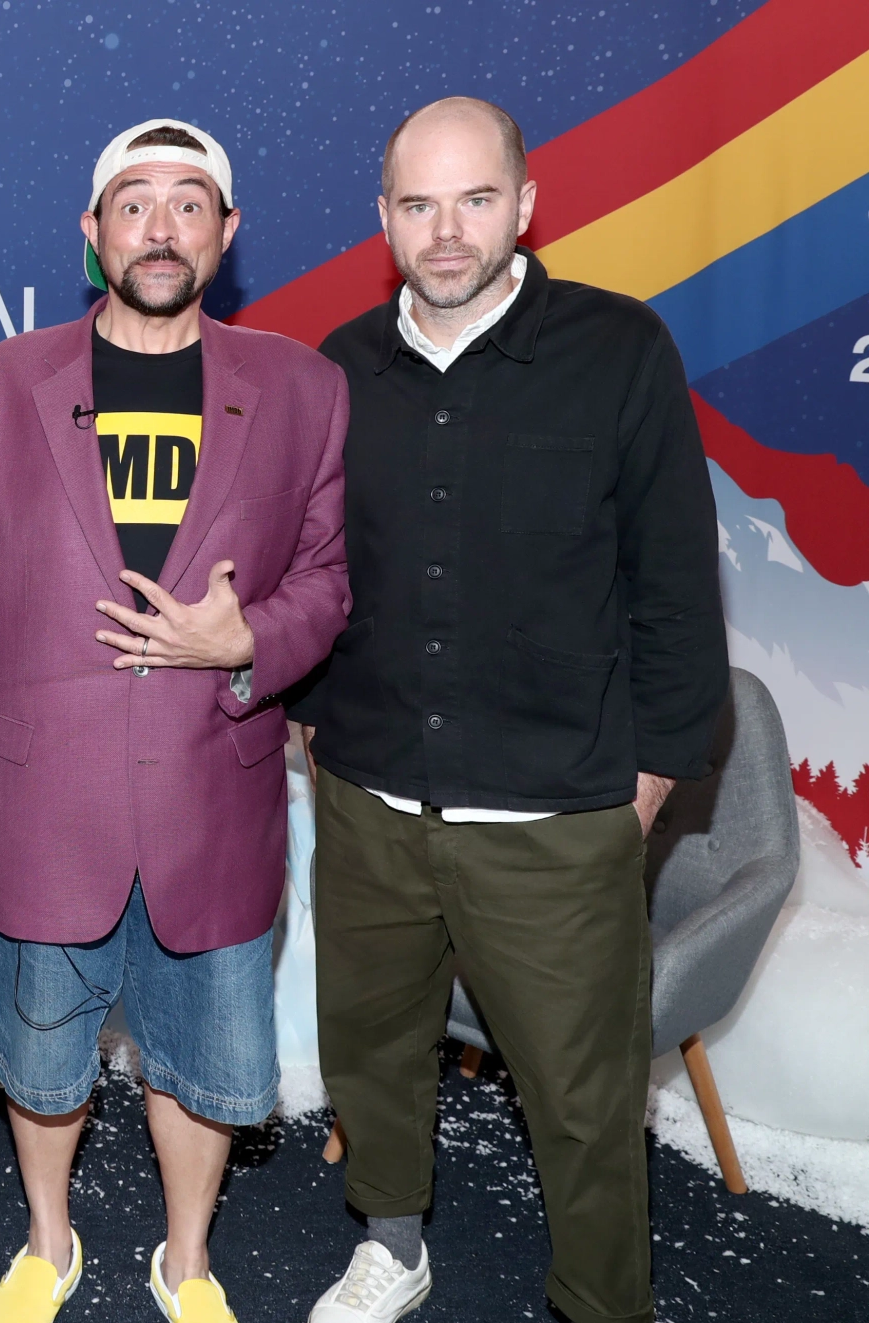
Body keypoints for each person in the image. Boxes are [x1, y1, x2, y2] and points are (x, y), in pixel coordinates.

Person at [0, 119, 351, 1323]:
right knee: (43, 1067)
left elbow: (326, 580)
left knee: (203, 1072)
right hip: (46, 802)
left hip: (218, 789)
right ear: (92, 234)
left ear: (228, 232)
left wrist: (245, 638)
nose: (161, 226)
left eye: (189, 203)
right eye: (134, 203)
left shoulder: (305, 389)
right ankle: (50, 1245)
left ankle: (186, 1260)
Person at [293, 98, 727, 1323]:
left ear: (526, 206)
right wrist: (321, 718)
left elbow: (678, 591)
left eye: (474, 200)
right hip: (372, 803)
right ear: (384, 220)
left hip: (556, 817)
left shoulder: (619, 349)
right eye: (419, 205)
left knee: (584, 1104)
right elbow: (320, 569)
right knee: (372, 1060)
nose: (447, 231)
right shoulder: (338, 367)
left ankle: (600, 1304)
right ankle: (393, 1244)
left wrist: (641, 788)